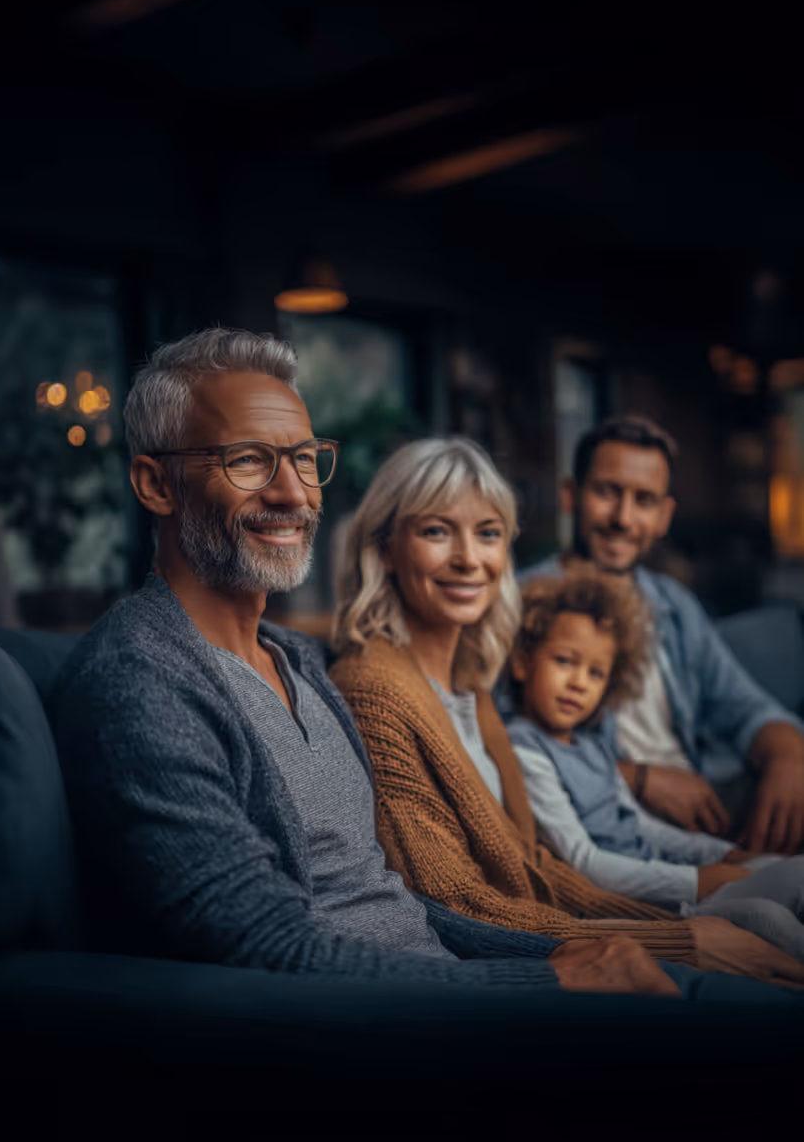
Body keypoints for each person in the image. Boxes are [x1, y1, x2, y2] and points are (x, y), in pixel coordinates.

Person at [52, 326, 700, 1000]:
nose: (293, 493)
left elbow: (401, 904)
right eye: (248, 460)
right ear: (156, 484)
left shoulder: (301, 659)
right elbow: (266, 947)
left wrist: (577, 952)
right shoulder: (139, 680)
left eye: (304, 459)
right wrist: (546, 981)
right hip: (368, 1039)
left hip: (454, 995)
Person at [329, 434, 804, 987]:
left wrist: (687, 914)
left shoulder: (469, 681)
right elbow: (453, 901)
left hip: (585, 899)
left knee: (774, 908)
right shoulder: (375, 690)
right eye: (436, 530)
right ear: (386, 547)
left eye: (487, 534)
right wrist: (685, 932)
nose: (467, 558)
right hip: (523, 955)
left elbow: (534, 866)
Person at [519, 415, 804, 853]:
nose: (623, 518)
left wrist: (790, 758)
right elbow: (500, 750)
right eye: (607, 492)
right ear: (570, 495)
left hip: (704, 807)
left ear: (664, 516)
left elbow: (745, 707)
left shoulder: (673, 605)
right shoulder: (526, 602)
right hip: (610, 829)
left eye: (644, 500)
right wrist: (639, 778)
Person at [507, 567, 804, 961]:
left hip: (667, 871)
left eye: (596, 672)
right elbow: (582, 862)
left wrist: (719, 855)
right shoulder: (525, 749)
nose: (579, 682)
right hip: (641, 901)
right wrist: (696, 881)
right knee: (773, 913)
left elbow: (642, 827)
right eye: (564, 661)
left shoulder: (591, 745)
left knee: (786, 869)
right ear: (523, 663)